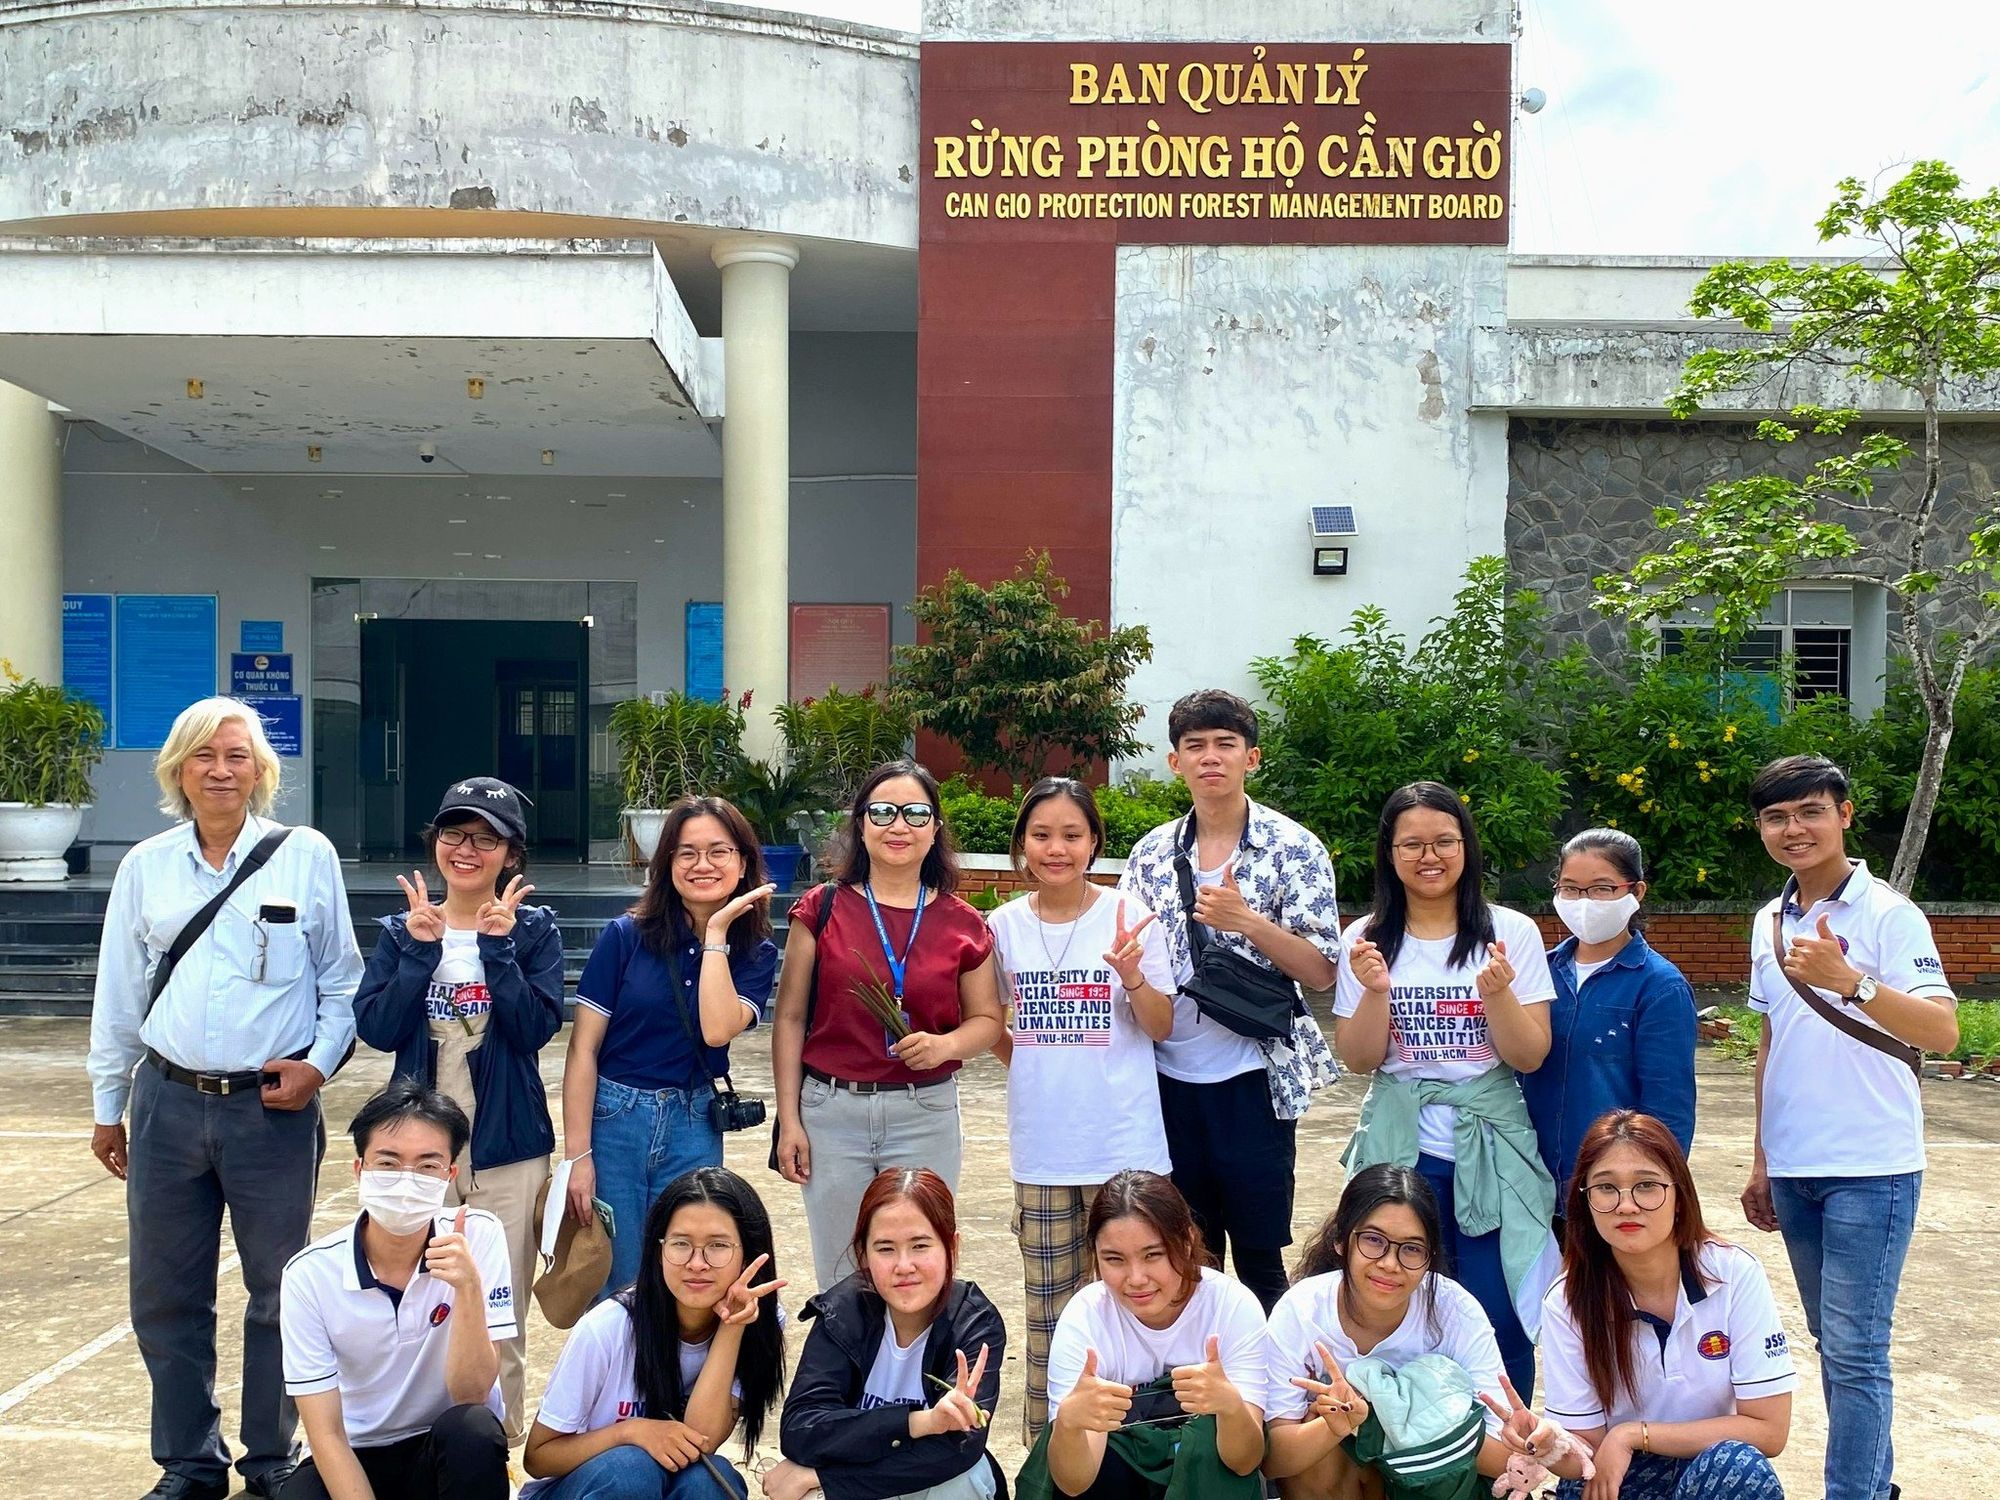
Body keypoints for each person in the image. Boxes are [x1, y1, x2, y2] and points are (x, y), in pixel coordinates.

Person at [86, 695, 362, 1500]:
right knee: (165, 1295)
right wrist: (108, 1105)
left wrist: (318, 1066)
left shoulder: (305, 856)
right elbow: (118, 995)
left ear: (260, 771)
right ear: (178, 771)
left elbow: (343, 983)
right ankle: (189, 1461)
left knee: (280, 1293)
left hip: (270, 1109)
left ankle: (271, 1457)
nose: (220, 770)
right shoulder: (146, 867)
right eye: (203, 757)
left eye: (236, 756)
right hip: (166, 1102)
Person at [1740, 754, 1958, 1500]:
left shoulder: (1891, 914)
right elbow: (1772, 1041)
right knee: (1834, 1343)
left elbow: (1942, 1031)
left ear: (1844, 815)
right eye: (1776, 817)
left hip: (1873, 1165)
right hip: (1795, 1166)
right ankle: (1875, 1485)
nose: (1794, 829)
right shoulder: (1769, 921)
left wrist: (1852, 982)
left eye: (1810, 811)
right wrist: (1762, 1159)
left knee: (1858, 1351)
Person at [1332, 781, 1560, 1398]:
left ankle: (1507, 1444)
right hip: (1403, 1153)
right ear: (1389, 853)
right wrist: (1375, 992)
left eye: (1444, 842)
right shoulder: (1365, 939)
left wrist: (1498, 995)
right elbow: (1358, 1058)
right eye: (1411, 844)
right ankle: (1416, 1440)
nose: (1429, 856)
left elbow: (1530, 1054)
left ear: (1467, 847)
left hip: (1491, 1151)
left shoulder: (1510, 931)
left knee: (1499, 1313)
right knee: (1398, 1307)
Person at [354, 776, 564, 1443]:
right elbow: (378, 1028)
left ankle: (495, 1449)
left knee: (500, 1308)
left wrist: (499, 950)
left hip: (507, 1146)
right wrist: (419, 952)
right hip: (419, 1147)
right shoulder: (402, 930)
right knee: (414, 1301)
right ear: (435, 843)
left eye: (485, 839)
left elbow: (533, 1030)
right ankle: (418, 1447)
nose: (466, 850)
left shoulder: (534, 931)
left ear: (511, 854)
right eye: (454, 834)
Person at [1117, 689, 1342, 1312]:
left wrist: (1247, 922)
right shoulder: (1151, 855)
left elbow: (1322, 971)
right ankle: (1202, 1371)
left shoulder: (1294, 847)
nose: (1210, 757)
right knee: (1187, 1254)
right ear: (1175, 762)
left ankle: (1274, 1373)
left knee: (1260, 1256)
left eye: (1226, 744)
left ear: (1252, 757)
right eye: (1195, 747)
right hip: (1166, 1080)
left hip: (1255, 1079)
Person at [987, 776, 1175, 1439]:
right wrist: (1038, 1065)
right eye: (1041, 835)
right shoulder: (1002, 928)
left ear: (1094, 841)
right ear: (1022, 844)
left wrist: (1132, 976)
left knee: (1136, 1306)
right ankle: (1051, 1451)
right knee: (1049, 1316)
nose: (1056, 848)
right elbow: (994, 1028)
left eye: (1071, 834)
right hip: (1042, 1152)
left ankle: (1141, 1449)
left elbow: (1161, 1027)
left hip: (1123, 1150)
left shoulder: (1130, 916)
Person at [770, 761, 1005, 1287]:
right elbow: (788, 1018)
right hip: (831, 1113)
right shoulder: (822, 907)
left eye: (916, 813)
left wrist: (946, 1045)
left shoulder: (964, 923)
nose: (899, 826)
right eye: (882, 812)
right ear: (860, 824)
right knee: (841, 1275)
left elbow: (988, 1020)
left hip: (924, 1113)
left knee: (917, 1269)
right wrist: (790, 1119)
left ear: (935, 828)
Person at [1501, 1110, 1793, 1500]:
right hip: (1616, 1475)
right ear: (1585, 1202)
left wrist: (1633, 1435)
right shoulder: (1567, 1300)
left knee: (1738, 1466)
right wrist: (1550, 1446)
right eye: (1606, 1188)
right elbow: (1586, 1452)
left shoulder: (1733, 1274)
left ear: (1679, 1197)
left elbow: (1769, 1430)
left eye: (1646, 1185)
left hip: (1706, 1466)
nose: (1626, 1205)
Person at [564, 796, 780, 1296]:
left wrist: (716, 934)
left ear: (743, 862)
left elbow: (716, 1030)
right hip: (615, 1119)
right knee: (618, 1278)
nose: (703, 865)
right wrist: (577, 1157)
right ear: (667, 863)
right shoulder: (625, 937)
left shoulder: (755, 952)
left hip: (693, 1122)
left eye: (718, 851)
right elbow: (582, 1051)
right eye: (687, 853)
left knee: (686, 1269)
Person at [277, 1079, 513, 1500]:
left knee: (474, 1431)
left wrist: (468, 1289)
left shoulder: (478, 1236)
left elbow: (472, 1394)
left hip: (441, 1444)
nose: (407, 1180)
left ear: (449, 1175)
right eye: (388, 1163)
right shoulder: (309, 1275)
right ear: (359, 1170)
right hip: (356, 1449)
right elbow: (325, 1432)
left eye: (427, 1166)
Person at [521, 1166, 788, 1500]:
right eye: (681, 1244)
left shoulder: (758, 1318)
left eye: (718, 1245)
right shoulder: (608, 1326)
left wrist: (731, 1328)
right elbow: (539, 1456)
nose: (697, 1263)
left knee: (708, 1480)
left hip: (668, 1483)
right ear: (658, 1250)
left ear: (748, 1253)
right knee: (633, 1469)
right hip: (582, 1487)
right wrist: (631, 1432)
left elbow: (701, 1441)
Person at [1263, 1165, 1513, 1500]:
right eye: (1373, 1240)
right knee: (1318, 1421)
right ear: (1341, 1239)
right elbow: (1274, 1461)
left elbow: (1505, 1457)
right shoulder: (1302, 1310)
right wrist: (1335, 1426)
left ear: (1430, 1257)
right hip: (1337, 1482)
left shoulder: (1454, 1309)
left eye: (1411, 1248)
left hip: (1429, 1486)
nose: (1390, 1264)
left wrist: (1386, 1416)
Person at [764, 1168, 1006, 1500]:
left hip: (926, 1486)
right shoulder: (841, 1311)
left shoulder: (974, 1322)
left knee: (966, 1478)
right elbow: (801, 1429)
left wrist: (825, 1478)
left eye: (920, 1245)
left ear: (952, 1247)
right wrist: (919, 1423)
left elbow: (958, 1448)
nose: (904, 1266)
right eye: (885, 1249)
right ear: (863, 1254)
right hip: (868, 1486)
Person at [1026, 1169, 1268, 1500]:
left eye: (1153, 1255)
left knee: (1208, 1441)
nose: (1136, 1278)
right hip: (1115, 1486)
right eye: (1114, 1259)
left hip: (1208, 1483)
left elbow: (1245, 1463)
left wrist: (1231, 1407)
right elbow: (1074, 1484)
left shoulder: (1232, 1305)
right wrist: (1069, 1424)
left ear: (1187, 1242)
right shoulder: (1086, 1315)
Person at [1518, 830, 1697, 1213]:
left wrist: (1650, 1191)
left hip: (1612, 1192)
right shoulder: (1538, 973)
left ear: (1637, 891)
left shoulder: (1659, 986)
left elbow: (1669, 1105)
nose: (1583, 902)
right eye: (1570, 888)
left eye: (1601, 889)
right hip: (1529, 1183)